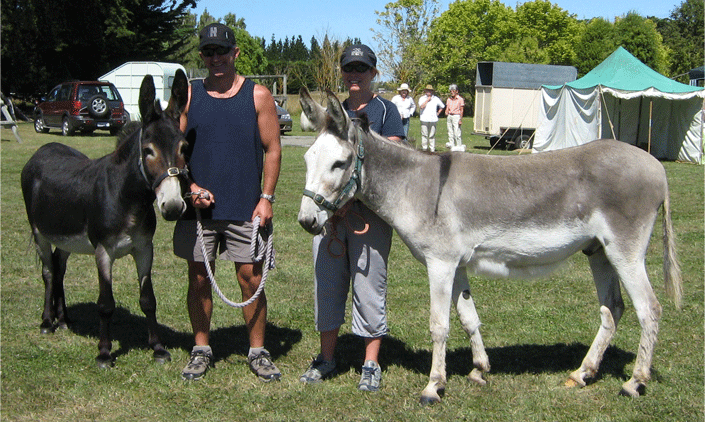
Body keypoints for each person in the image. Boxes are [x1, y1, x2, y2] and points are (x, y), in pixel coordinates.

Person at [173, 22, 282, 382]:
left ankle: (257, 351)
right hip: (198, 209)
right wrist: (190, 187)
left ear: (235, 54)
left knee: (251, 279)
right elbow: (175, 151)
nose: (216, 58)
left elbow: (273, 149)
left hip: (246, 206)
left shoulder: (259, 96)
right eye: (208, 52)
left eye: (222, 51)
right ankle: (201, 349)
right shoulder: (189, 95)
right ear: (202, 56)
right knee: (200, 279)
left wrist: (266, 199)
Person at [299, 44, 405, 392]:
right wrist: (333, 204)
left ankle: (370, 363)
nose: (354, 74)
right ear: (343, 73)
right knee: (327, 283)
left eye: (362, 68)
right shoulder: (333, 114)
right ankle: (326, 358)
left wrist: (350, 200)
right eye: (349, 68)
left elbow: (390, 163)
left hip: (370, 215)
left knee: (369, 284)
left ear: (374, 73)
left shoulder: (386, 110)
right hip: (331, 214)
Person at [417, 84, 444, 152]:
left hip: (433, 119)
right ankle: (424, 148)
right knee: (424, 134)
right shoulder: (422, 98)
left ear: (432, 91)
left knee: (432, 135)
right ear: (425, 91)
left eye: (430, 91)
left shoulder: (436, 98)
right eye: (427, 90)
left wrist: (437, 113)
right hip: (424, 118)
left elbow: (442, 106)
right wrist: (427, 100)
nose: (428, 92)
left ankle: (432, 149)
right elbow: (421, 107)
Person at [445, 84, 465, 150]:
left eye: (453, 90)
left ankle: (459, 146)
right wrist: (446, 111)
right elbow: (447, 107)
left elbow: (461, 110)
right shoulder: (449, 99)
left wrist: (460, 119)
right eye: (451, 91)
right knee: (450, 132)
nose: (452, 92)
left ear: (457, 91)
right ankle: (452, 146)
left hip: (456, 116)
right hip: (450, 116)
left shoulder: (460, 99)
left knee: (457, 132)